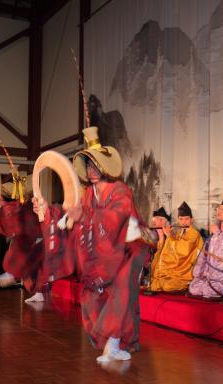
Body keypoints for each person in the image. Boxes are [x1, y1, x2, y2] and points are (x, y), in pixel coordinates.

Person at [33, 127, 151, 362]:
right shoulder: (87, 194)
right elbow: (72, 214)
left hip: (129, 249)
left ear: (107, 167)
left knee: (121, 293)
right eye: (88, 165)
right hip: (103, 253)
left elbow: (115, 218)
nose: (91, 170)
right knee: (91, 295)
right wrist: (47, 211)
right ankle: (114, 341)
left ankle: (115, 342)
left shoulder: (121, 190)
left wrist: (84, 216)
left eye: (96, 165)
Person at [0, 178, 47, 303]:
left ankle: (15, 274)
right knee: (24, 259)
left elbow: (14, 212)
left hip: (37, 239)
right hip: (30, 239)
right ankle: (36, 291)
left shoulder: (31, 205)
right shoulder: (21, 206)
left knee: (23, 255)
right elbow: (11, 211)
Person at [149, 202, 204, 293]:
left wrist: (169, 236)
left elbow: (183, 251)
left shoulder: (194, 233)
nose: (183, 222)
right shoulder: (179, 233)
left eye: (186, 219)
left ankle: (187, 284)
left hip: (186, 272)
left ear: (192, 220)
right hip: (175, 270)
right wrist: (166, 236)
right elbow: (170, 251)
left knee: (167, 286)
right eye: (181, 219)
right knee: (155, 285)